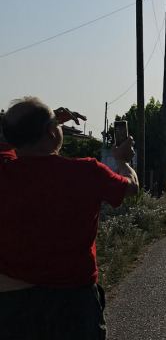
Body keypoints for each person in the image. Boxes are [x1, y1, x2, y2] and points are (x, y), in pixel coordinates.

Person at [0, 97, 139, 339]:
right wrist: (123, 160)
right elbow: (132, 187)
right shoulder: (87, 172)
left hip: (12, 303)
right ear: (52, 133)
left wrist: (43, 122)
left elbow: (10, 140)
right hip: (74, 301)